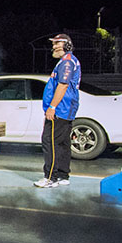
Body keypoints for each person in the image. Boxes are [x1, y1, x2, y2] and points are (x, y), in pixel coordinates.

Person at [34, 33, 81, 188]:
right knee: (62, 143)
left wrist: (52, 107)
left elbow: (63, 85)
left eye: (57, 43)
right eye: (53, 44)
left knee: (50, 142)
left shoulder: (67, 62)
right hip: (65, 109)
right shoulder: (67, 61)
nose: (53, 47)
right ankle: (62, 175)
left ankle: (50, 178)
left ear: (66, 45)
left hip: (61, 109)